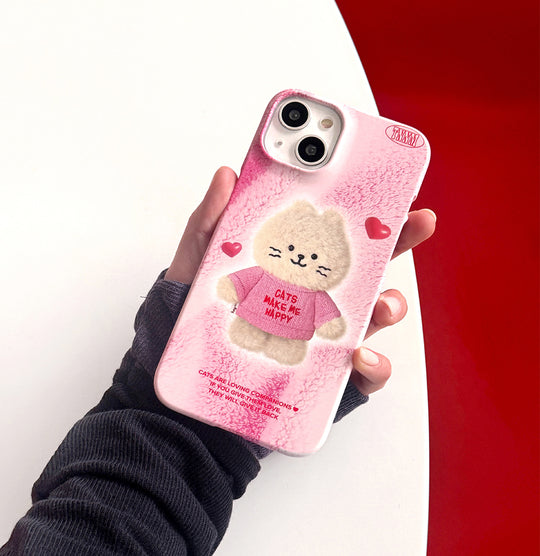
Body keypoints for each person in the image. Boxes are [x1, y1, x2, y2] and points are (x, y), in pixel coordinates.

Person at [0, 167, 436, 555]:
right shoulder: (259, 272)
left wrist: (160, 405)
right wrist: (209, 444)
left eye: (314, 258)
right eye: (290, 247)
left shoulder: (314, 293)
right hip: (241, 332)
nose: (301, 259)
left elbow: (91, 537)